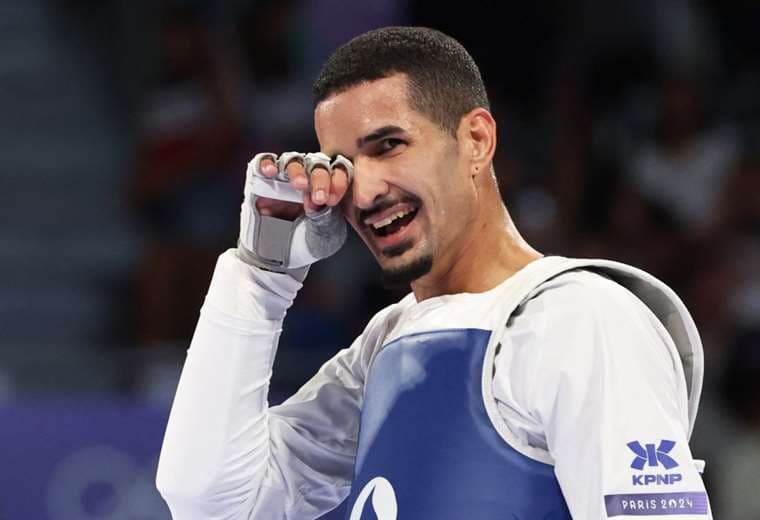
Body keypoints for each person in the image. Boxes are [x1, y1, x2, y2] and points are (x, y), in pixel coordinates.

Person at [156, 27, 712, 519]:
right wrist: (260, 276)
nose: (366, 191)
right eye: (344, 166)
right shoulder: (386, 345)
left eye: (390, 145)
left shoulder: (580, 318)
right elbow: (213, 503)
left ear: (476, 141)